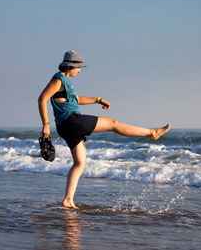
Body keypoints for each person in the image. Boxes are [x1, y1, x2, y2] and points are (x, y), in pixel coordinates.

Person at [38, 51, 170, 209]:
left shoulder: (65, 81)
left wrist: (98, 100)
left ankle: (68, 200)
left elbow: (76, 99)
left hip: (67, 125)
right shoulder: (58, 79)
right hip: (71, 121)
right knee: (111, 123)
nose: (79, 71)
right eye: (78, 67)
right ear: (71, 66)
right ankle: (151, 133)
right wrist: (45, 124)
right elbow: (42, 98)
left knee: (80, 162)